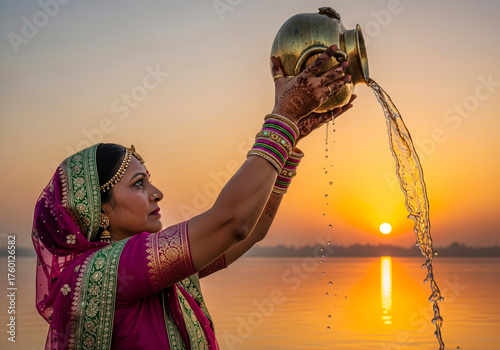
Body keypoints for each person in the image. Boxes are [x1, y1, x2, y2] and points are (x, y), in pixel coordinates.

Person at [32, 45, 356, 349]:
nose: (157, 193)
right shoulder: (105, 272)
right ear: (97, 210)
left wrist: (291, 135)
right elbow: (233, 223)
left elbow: (251, 231)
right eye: (138, 184)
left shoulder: (153, 273)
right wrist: (284, 118)